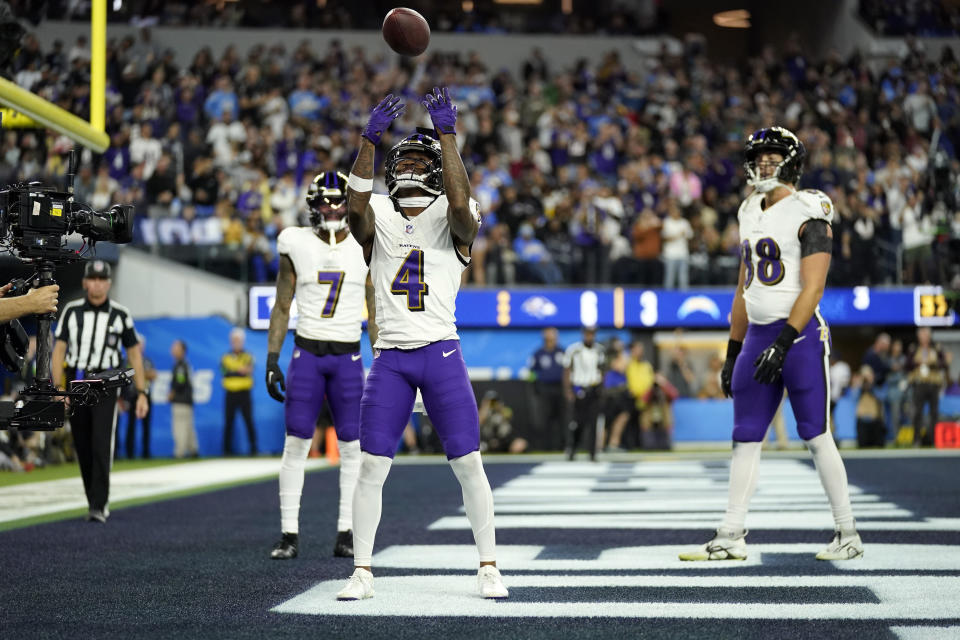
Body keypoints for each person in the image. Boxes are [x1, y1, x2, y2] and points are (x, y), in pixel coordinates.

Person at [335, 89, 508, 600]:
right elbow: (355, 208)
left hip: (440, 353)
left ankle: (489, 565)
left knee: (468, 463)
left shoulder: (458, 211)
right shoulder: (380, 214)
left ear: (435, 168)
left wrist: (447, 133)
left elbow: (459, 207)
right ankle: (363, 570)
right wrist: (369, 139)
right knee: (371, 465)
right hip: (391, 358)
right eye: (401, 158)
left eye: (417, 158)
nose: (407, 165)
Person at [679, 127, 863, 562]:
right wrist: (732, 350)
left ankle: (847, 532)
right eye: (758, 157)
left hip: (797, 336)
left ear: (792, 162)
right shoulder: (747, 210)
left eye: (772, 156)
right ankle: (731, 534)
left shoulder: (809, 208)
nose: (763, 163)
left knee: (816, 435)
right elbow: (744, 286)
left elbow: (813, 288)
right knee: (745, 436)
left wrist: (783, 342)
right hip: (758, 333)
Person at [264, 170, 367, 560]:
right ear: (313, 205)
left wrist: (384, 358)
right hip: (306, 352)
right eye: (325, 201)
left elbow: (374, 312)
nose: (333, 208)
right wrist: (272, 357)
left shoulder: (364, 244)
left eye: (339, 201)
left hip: (347, 355)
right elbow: (282, 304)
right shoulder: (296, 242)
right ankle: (289, 533)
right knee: (296, 443)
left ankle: (347, 531)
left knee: (352, 447)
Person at [51, 260, 149, 523]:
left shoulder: (120, 314)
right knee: (82, 444)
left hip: (106, 383)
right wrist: (59, 388)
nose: (97, 283)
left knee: (101, 443)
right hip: (78, 380)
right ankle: (92, 499)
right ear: (85, 282)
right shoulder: (71, 311)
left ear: (109, 282)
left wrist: (142, 392)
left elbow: (134, 356)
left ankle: (98, 504)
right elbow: (58, 350)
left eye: (101, 279)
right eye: (92, 279)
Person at [563, 326, 605, 461]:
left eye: (592, 334)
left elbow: (602, 370)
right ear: (583, 334)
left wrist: (601, 388)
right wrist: (568, 390)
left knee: (593, 423)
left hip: (593, 389)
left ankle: (592, 453)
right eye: (587, 334)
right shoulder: (574, 350)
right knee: (577, 423)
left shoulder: (599, 350)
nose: (589, 337)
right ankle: (573, 448)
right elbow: (567, 370)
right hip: (578, 389)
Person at [906, 327, 948, 447]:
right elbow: (907, 365)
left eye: (926, 335)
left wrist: (933, 364)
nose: (924, 337)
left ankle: (933, 439)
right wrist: (918, 363)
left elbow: (944, 363)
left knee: (934, 413)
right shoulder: (914, 349)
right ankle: (917, 439)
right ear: (919, 337)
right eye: (922, 335)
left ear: (929, 336)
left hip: (933, 383)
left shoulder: (936, 348)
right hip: (919, 383)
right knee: (917, 412)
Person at [527, 327, 565, 450]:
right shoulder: (538, 354)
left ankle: (562, 446)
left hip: (560, 388)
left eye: (553, 338)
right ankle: (546, 447)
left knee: (562, 419)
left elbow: (568, 371)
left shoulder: (562, 352)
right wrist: (534, 387)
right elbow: (532, 372)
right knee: (545, 420)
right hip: (545, 389)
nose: (551, 340)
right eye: (548, 338)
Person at [119, 333, 156, 459]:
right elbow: (126, 375)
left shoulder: (147, 361)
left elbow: (154, 375)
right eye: (138, 344)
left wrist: (139, 373)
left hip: (146, 395)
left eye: (142, 345)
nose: (140, 347)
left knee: (146, 426)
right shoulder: (127, 361)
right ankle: (130, 453)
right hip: (131, 396)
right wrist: (143, 374)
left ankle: (146, 452)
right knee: (131, 425)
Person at [221, 327, 256, 456]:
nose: (236, 343)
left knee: (248, 420)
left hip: (244, 392)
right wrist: (238, 371)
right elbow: (224, 372)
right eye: (233, 340)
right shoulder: (226, 357)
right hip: (230, 393)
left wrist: (233, 371)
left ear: (242, 341)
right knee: (228, 422)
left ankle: (253, 448)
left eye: (238, 340)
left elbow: (249, 370)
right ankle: (226, 450)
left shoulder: (248, 356)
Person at [168, 339, 198, 458]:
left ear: (182, 351)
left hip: (181, 400)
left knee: (179, 427)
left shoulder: (180, 365)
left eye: (175, 348)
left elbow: (180, 382)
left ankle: (179, 452)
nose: (172, 350)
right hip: (187, 400)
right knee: (188, 427)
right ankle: (193, 449)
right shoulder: (186, 364)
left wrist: (172, 393)